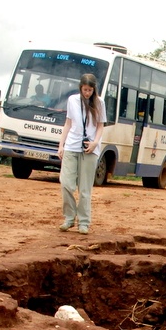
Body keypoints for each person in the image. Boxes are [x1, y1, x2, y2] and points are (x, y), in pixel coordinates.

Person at [56, 73, 105, 235]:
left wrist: (95, 143)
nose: (87, 93)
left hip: (89, 148)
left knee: (85, 189)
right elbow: (68, 123)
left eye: (90, 90)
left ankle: (83, 222)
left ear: (94, 89)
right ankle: (69, 218)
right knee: (66, 183)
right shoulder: (72, 100)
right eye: (85, 90)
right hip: (72, 145)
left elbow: (100, 126)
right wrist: (61, 145)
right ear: (80, 88)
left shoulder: (99, 103)